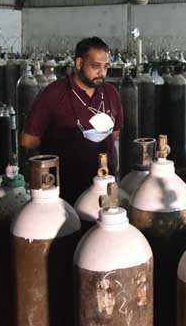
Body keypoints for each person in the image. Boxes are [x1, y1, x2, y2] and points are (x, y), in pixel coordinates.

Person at [20, 37, 123, 204]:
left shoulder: (111, 93)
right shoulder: (54, 94)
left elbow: (115, 134)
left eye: (105, 67)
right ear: (79, 63)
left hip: (105, 187)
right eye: (95, 66)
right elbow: (28, 140)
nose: (102, 73)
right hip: (66, 191)